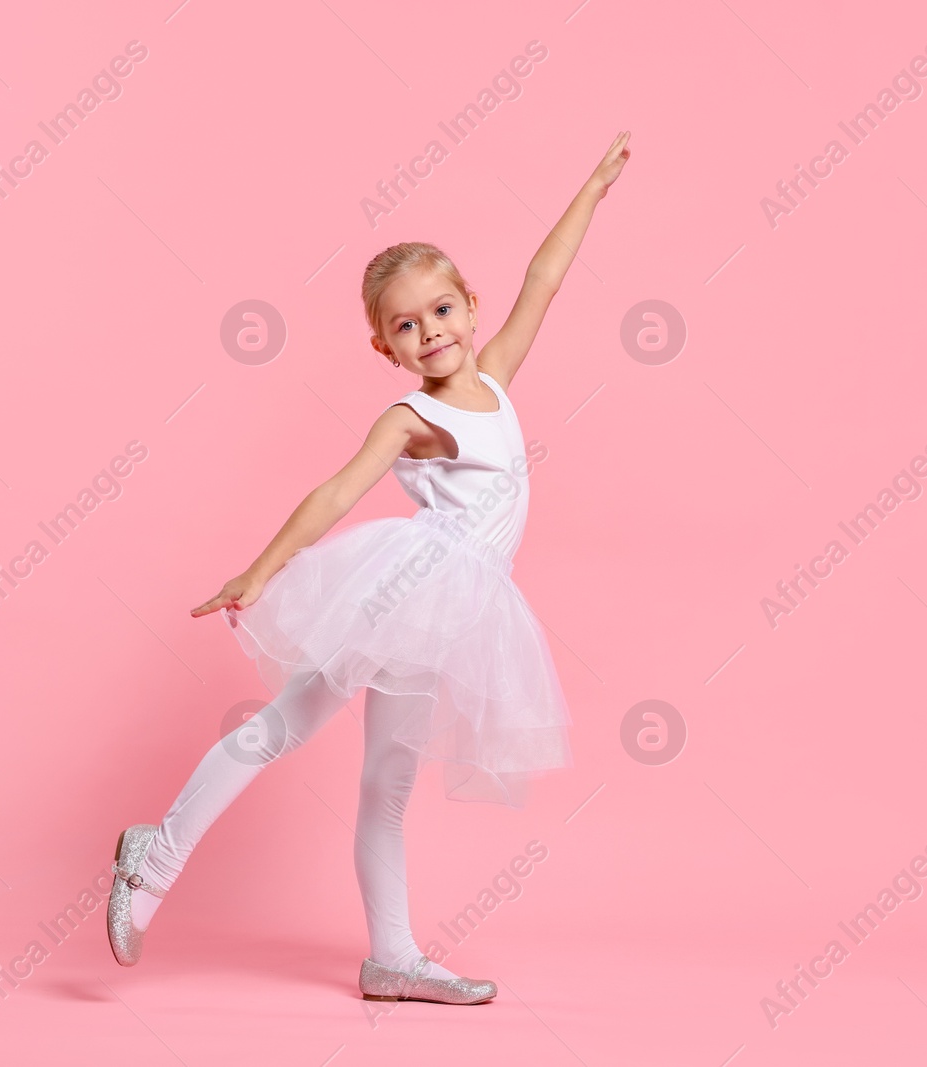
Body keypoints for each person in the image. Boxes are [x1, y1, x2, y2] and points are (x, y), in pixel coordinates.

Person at [107, 131, 634, 1005]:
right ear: (384, 347)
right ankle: (151, 856)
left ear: (471, 306)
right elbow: (333, 493)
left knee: (386, 785)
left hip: (455, 611)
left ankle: (392, 954)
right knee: (288, 723)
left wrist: (591, 188)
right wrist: (260, 570)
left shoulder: (497, 376)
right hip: (404, 591)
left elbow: (544, 276)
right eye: (405, 325)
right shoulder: (407, 416)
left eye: (441, 311)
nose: (429, 332)